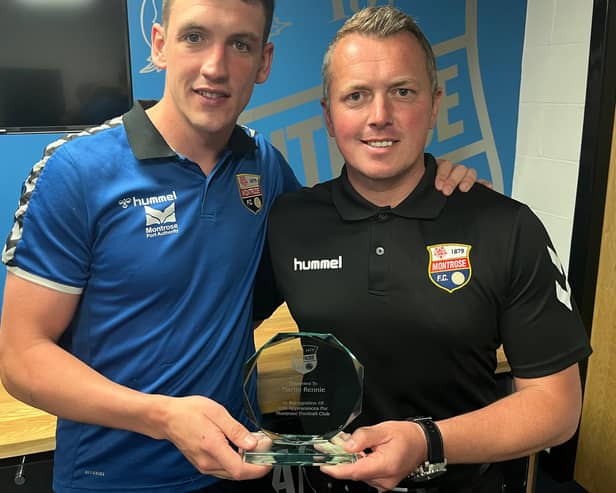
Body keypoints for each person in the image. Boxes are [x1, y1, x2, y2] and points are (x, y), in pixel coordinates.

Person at [0, 2, 478, 493]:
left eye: (240, 44)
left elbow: (344, 225)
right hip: (112, 478)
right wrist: (162, 416)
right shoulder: (74, 171)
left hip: (239, 466)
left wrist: (431, 180)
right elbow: (20, 357)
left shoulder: (262, 165)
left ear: (264, 61)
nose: (215, 66)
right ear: (160, 45)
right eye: (195, 38)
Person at [261, 6, 592, 493]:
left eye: (402, 91)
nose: (379, 116)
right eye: (356, 96)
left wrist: (427, 441)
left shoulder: (508, 226)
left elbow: (558, 408)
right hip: (325, 483)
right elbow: (218, 324)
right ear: (329, 117)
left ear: (434, 104)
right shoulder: (289, 221)